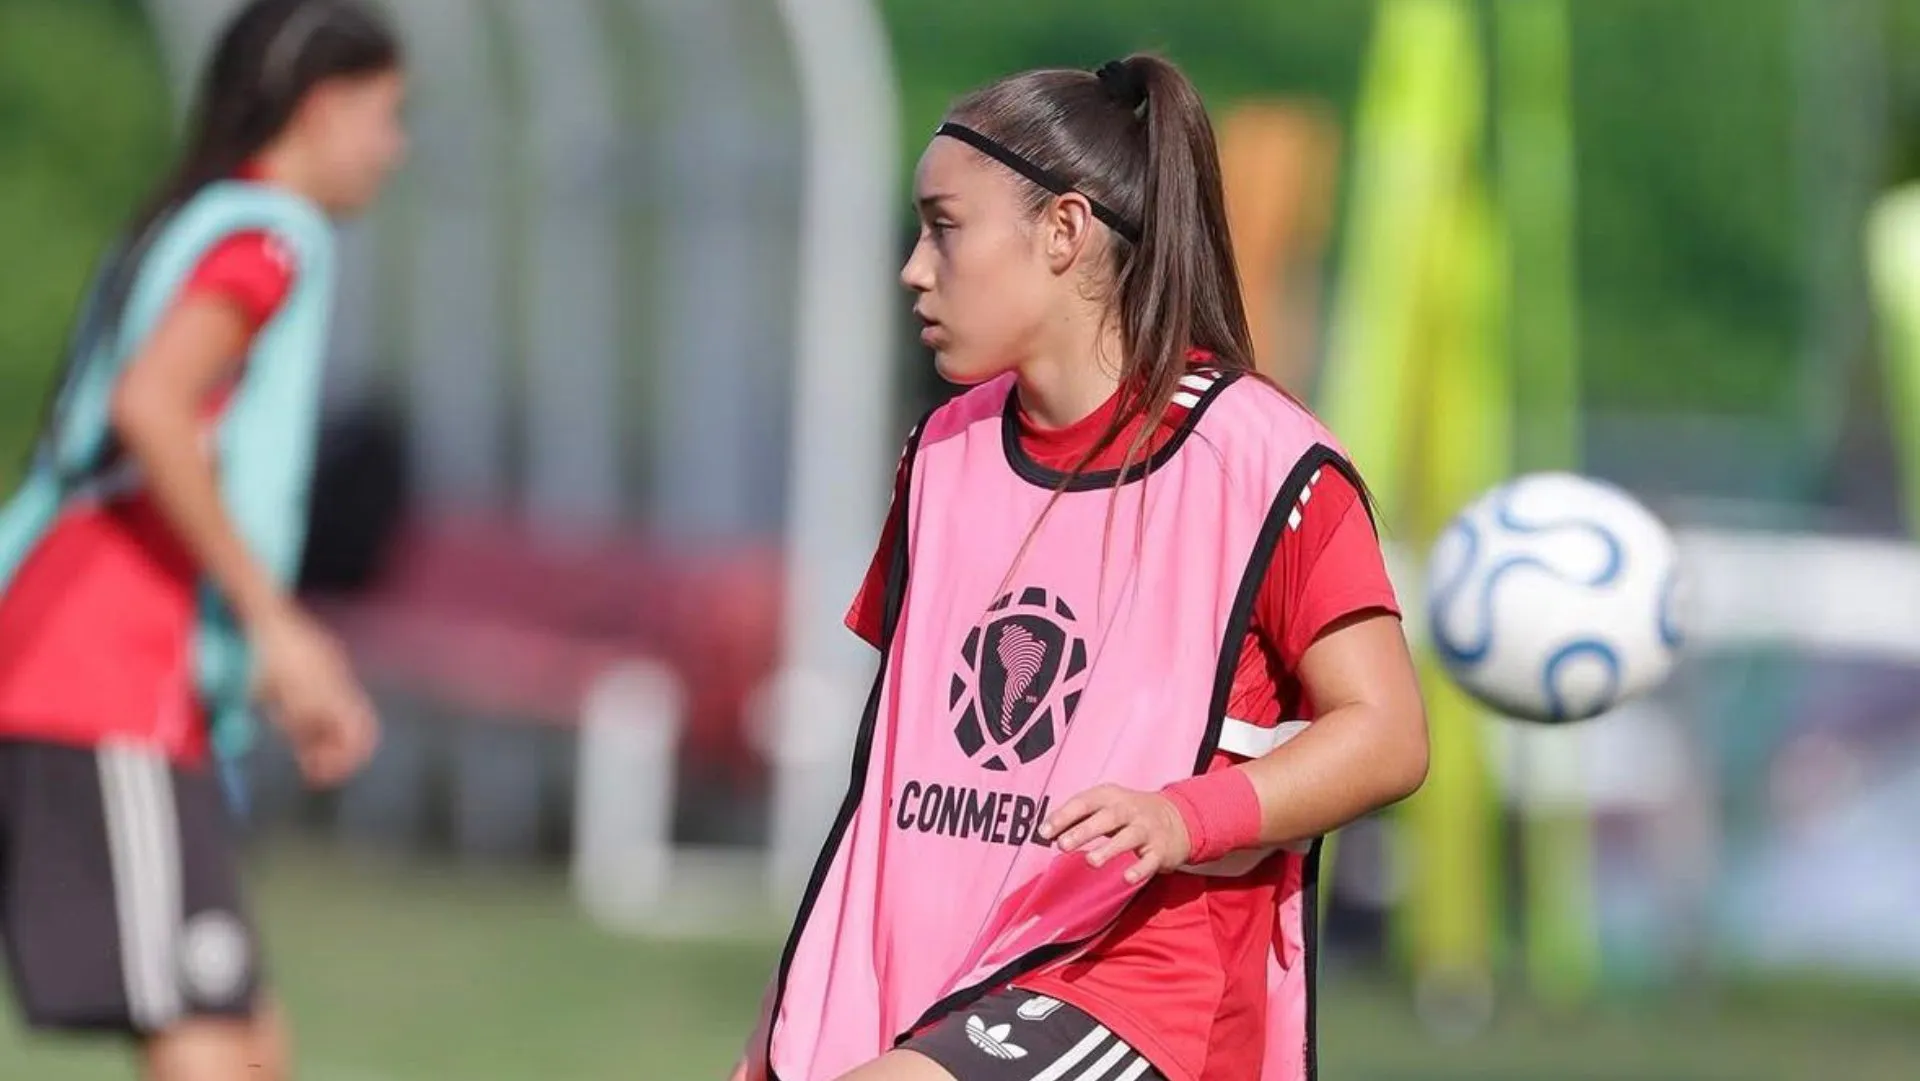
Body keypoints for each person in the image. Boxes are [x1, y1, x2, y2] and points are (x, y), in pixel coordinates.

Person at [735, 54, 1429, 1081]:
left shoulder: (1263, 463)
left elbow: (1387, 734)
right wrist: (783, 1024)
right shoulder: (942, 457)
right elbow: (888, 788)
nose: (915, 269)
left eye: (944, 228)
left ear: (1064, 231)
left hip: (1139, 991)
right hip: (945, 986)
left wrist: (1183, 816)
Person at [0, 2, 404, 1078]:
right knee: (207, 1037)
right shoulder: (265, 237)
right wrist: (275, 626)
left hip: (106, 668)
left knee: (249, 1039)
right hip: (97, 673)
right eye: (384, 115)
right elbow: (150, 405)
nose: (394, 148)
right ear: (321, 110)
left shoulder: (192, 218)